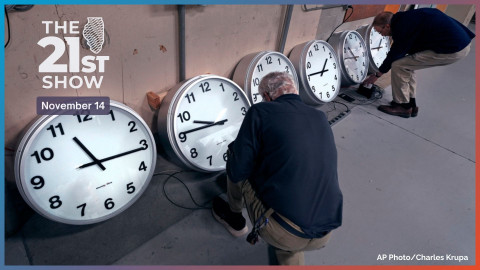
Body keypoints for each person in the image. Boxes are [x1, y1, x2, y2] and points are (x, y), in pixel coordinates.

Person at [211, 72, 343, 265]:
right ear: (295, 91)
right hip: (326, 231)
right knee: (292, 238)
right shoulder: (320, 116)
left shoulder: (260, 112)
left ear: (266, 96)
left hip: (284, 230)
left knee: (236, 154)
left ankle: (235, 219)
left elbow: (238, 170)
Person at [363, 8, 475, 118]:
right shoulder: (405, 18)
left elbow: (395, 53)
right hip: (460, 43)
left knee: (399, 65)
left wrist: (378, 74)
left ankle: (403, 107)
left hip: (453, 48)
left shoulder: (402, 26)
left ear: (387, 26)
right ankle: (411, 105)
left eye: (380, 31)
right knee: (406, 65)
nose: (382, 35)